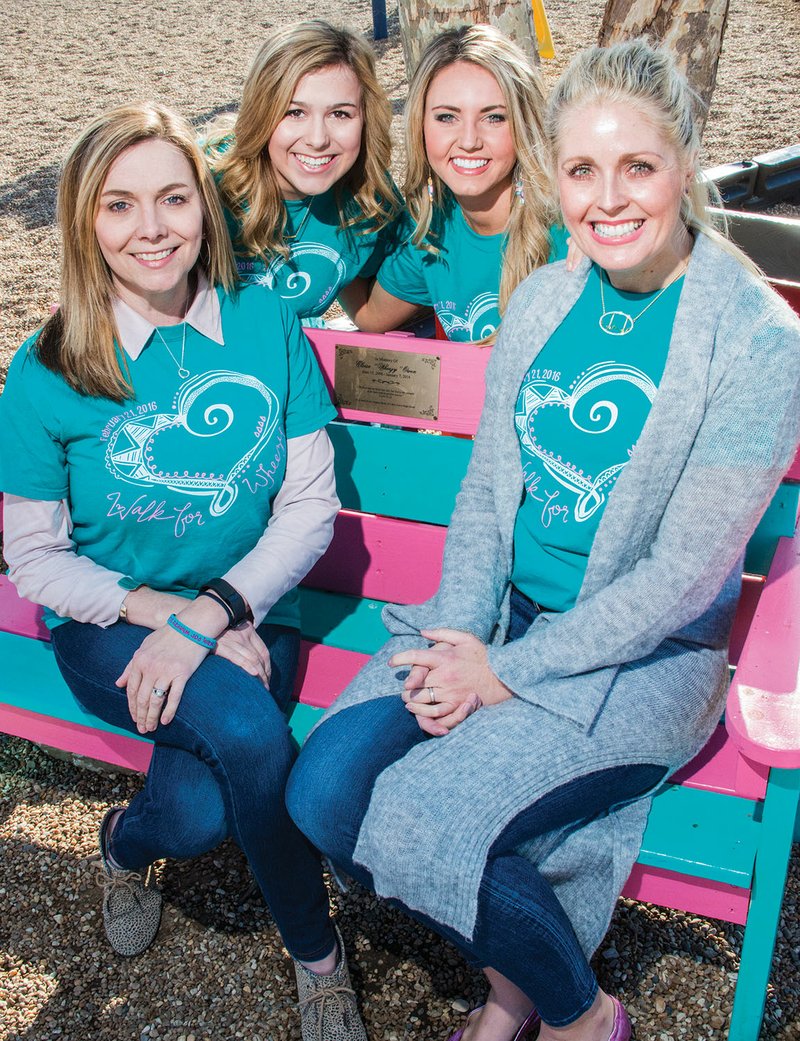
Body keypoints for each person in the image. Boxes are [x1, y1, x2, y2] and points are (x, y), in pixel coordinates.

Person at [286, 40, 800, 1041]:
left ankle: (571, 1013)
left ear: (684, 168)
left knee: (424, 817)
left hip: (639, 663)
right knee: (323, 791)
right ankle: (530, 985)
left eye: (636, 168)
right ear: (552, 174)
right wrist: (461, 638)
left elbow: (680, 579)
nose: (607, 199)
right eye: (580, 170)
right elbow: (486, 493)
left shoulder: (753, 346)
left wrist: (501, 676)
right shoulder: (545, 299)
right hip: (492, 619)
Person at [0, 103, 367, 1041]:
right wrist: (165, 607)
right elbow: (36, 558)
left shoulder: (262, 318)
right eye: (120, 206)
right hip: (108, 621)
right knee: (248, 740)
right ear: (86, 222)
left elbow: (308, 506)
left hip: (250, 604)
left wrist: (214, 609)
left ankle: (124, 843)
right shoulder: (48, 370)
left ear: (205, 207)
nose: (152, 228)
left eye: (173, 198)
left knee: (199, 813)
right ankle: (319, 957)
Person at [345, 24, 563, 342]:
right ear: (420, 125)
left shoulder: (566, 225)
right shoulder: (434, 226)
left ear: (523, 124)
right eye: (447, 117)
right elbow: (370, 315)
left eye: (494, 117)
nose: (469, 141)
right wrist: (331, 207)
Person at [204, 20, 400, 327]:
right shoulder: (200, 187)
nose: (318, 139)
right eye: (295, 112)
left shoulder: (369, 196)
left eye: (340, 114)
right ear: (262, 112)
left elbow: (372, 307)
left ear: (365, 119)